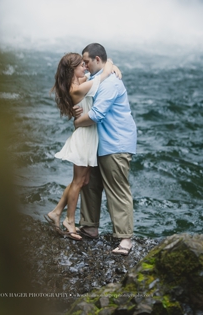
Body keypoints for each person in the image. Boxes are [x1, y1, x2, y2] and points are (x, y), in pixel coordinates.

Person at [45, 53, 119, 240]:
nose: (85, 68)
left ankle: (56, 211)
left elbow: (96, 75)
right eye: (81, 65)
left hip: (89, 136)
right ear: (72, 69)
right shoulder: (77, 88)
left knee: (83, 180)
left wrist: (113, 67)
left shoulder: (79, 83)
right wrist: (109, 62)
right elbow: (102, 75)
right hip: (84, 137)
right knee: (78, 182)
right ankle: (69, 221)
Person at [73, 43, 138, 256]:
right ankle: (90, 227)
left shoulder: (111, 83)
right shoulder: (96, 78)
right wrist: (111, 64)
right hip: (99, 143)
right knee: (89, 183)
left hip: (116, 143)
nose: (84, 65)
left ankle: (125, 239)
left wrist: (77, 122)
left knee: (117, 190)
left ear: (98, 60)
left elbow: (97, 115)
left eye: (87, 61)